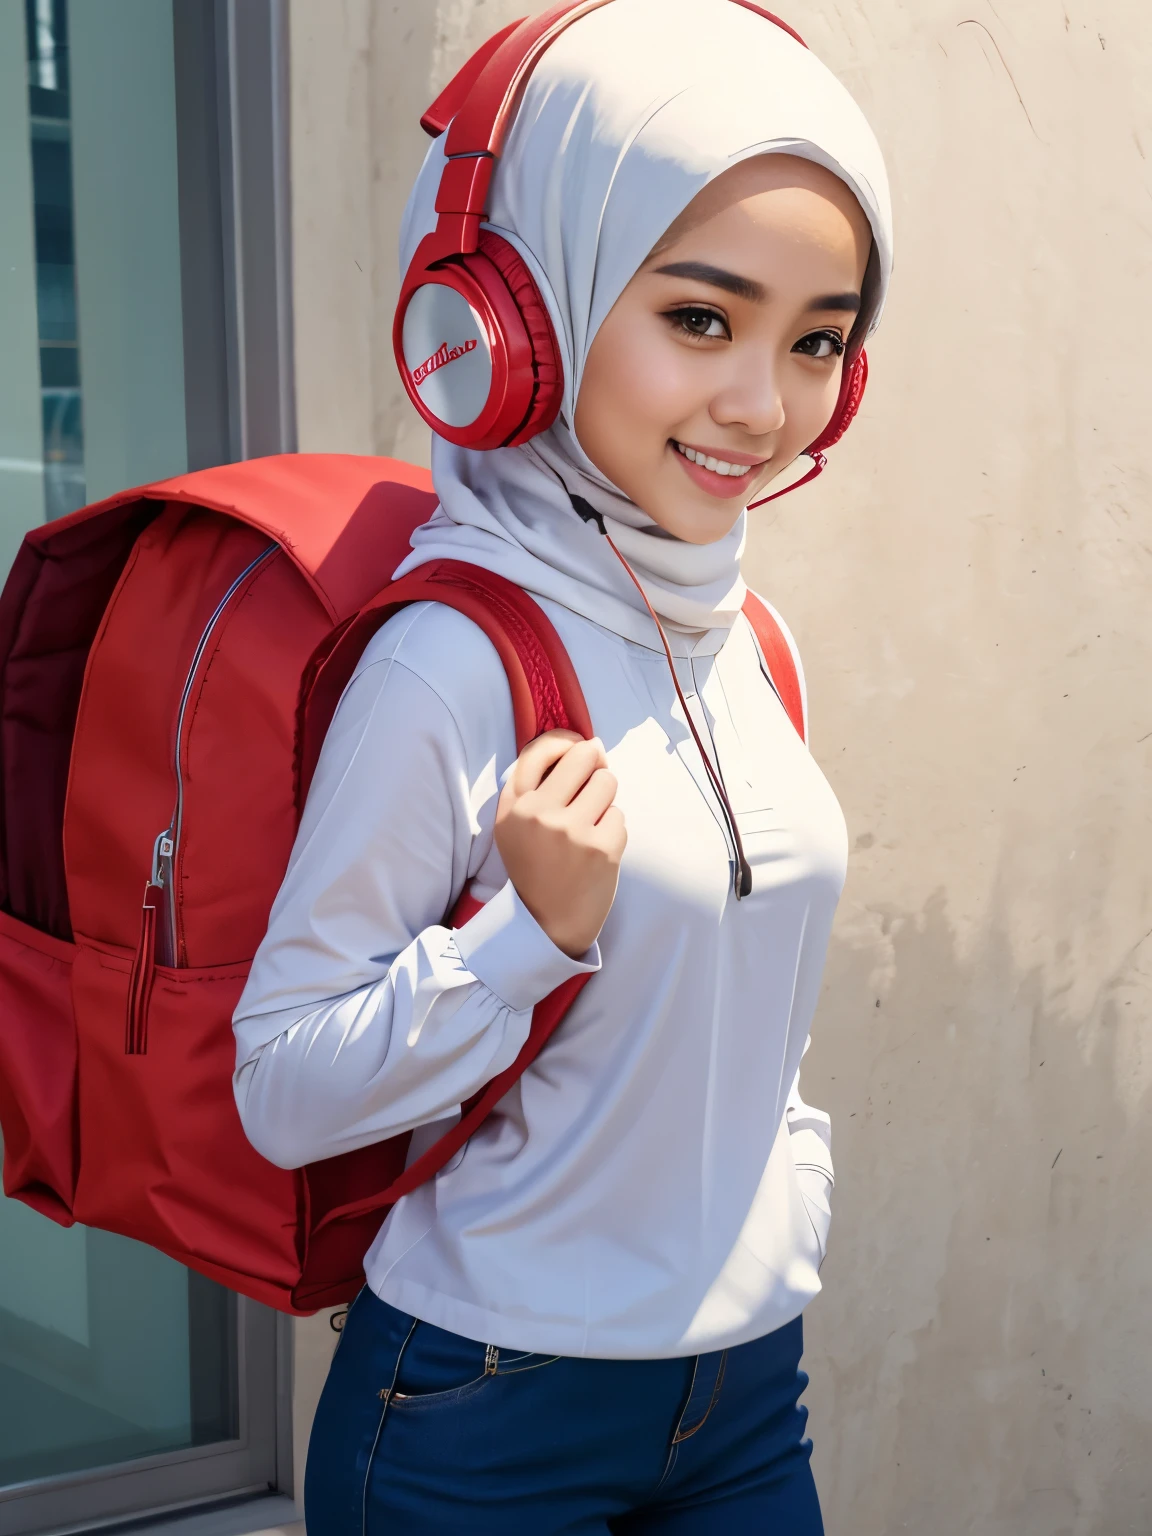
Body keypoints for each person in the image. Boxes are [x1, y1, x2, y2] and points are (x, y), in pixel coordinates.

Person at [232, 1, 892, 1528]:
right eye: (701, 319)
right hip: (485, 1411)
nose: (761, 408)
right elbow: (281, 1089)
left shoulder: (756, 644)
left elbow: (753, 1020)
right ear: (509, 321)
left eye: (816, 343)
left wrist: (783, 1207)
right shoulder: (447, 660)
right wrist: (528, 940)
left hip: (742, 1397)